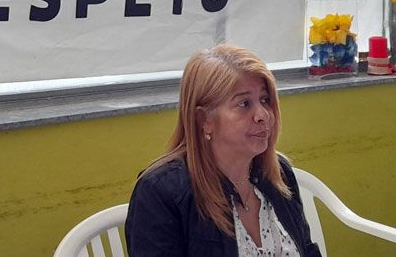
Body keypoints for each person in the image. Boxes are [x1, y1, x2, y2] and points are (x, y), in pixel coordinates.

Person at [125, 45, 322, 256]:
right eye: (244, 104)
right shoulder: (160, 192)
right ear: (204, 120)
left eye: (265, 100)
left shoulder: (277, 173)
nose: (263, 115)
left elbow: (307, 250)